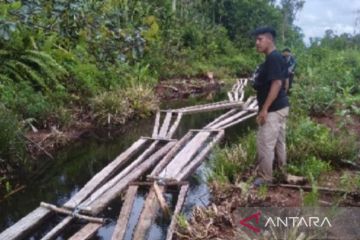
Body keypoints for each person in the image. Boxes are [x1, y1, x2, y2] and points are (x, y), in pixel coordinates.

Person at [250, 27, 290, 186]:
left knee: (265, 142)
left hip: (273, 109)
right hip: (281, 107)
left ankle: (266, 178)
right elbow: (285, 81)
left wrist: (265, 109)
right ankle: (281, 171)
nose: (257, 43)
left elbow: (277, 83)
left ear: (269, 40)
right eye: (256, 40)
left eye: (260, 39)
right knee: (280, 142)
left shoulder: (273, 58)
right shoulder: (278, 57)